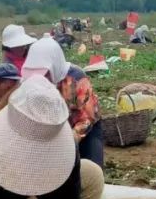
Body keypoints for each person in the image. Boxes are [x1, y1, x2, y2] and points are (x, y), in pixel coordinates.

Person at [20, 36, 103, 167]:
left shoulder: (76, 79)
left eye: (45, 73)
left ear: (54, 66)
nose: (42, 78)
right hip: (53, 131)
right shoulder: (30, 82)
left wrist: (69, 140)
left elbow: (86, 119)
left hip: (84, 129)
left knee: (91, 169)